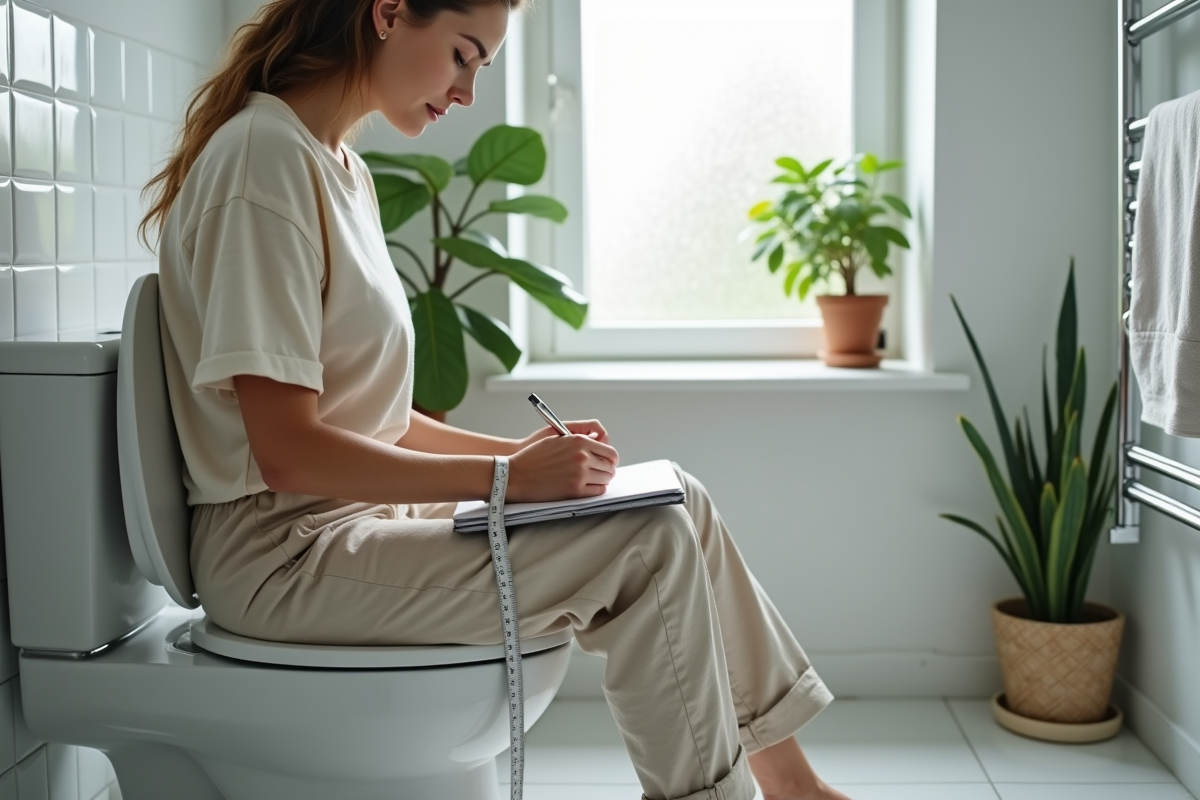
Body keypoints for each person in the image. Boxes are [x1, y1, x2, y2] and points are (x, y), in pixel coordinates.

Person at [140, 2, 852, 799]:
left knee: (676, 494)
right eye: (463, 55)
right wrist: (507, 482)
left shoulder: (336, 166)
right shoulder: (261, 162)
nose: (468, 91)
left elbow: (368, 419)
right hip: (282, 554)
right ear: (388, 13)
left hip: (349, 524)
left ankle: (797, 789)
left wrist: (519, 457)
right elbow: (289, 450)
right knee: (643, 540)